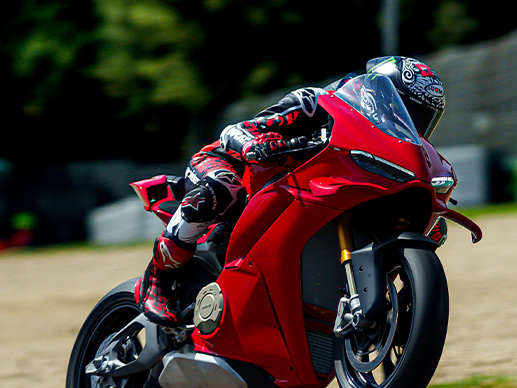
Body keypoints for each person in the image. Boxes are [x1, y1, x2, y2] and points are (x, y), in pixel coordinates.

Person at [138, 55, 446, 325]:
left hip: (297, 197)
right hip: (229, 165)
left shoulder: (378, 145)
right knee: (222, 186)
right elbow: (236, 130)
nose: (413, 126)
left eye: (423, 120)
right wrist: (256, 144)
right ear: (379, 96)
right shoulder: (317, 102)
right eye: (409, 112)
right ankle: (157, 280)